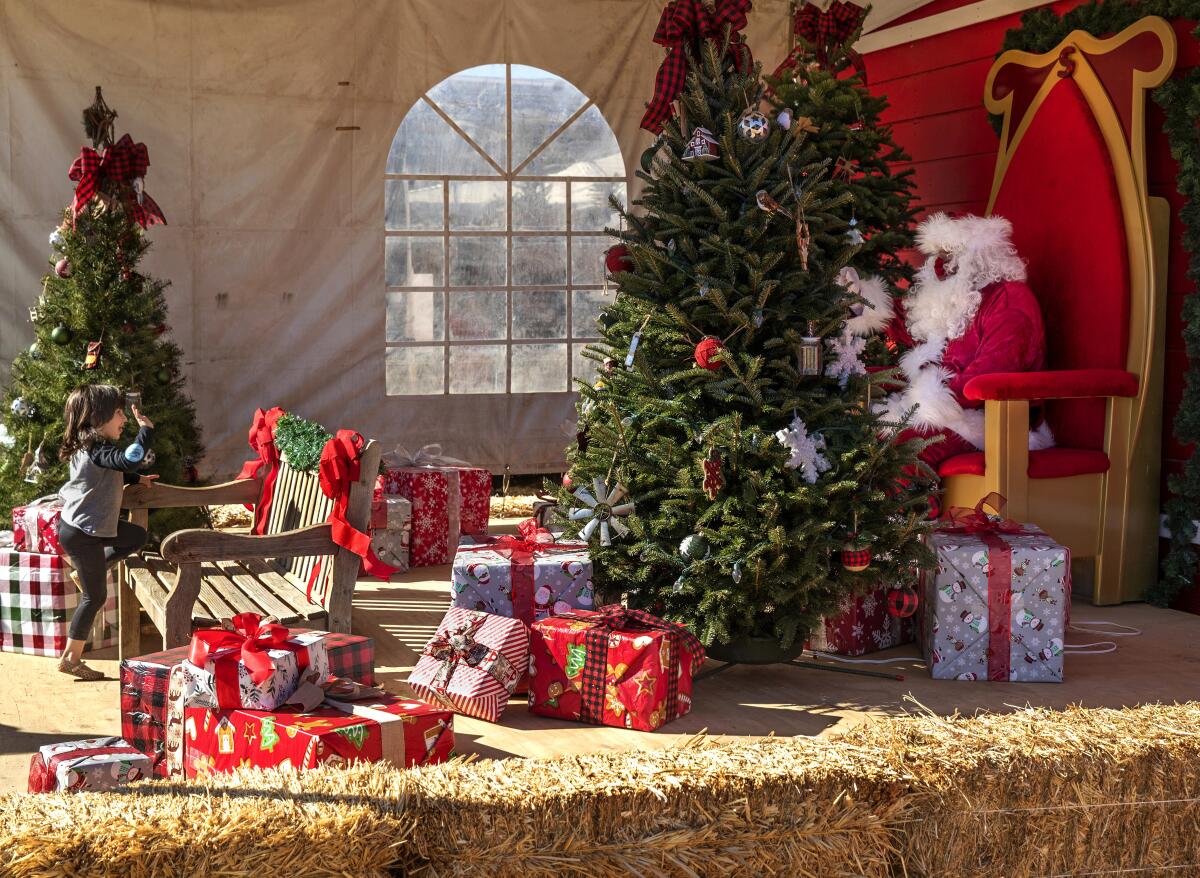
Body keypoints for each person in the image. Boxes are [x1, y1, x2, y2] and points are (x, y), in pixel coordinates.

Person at [876, 212, 1052, 472]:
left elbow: (995, 370)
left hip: (990, 421)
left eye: (949, 256)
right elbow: (906, 323)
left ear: (976, 258)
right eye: (937, 256)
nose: (939, 266)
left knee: (900, 449)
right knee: (867, 436)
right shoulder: (954, 301)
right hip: (942, 409)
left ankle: (906, 515)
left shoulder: (1008, 300)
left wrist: (931, 398)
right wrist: (864, 301)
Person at [55, 385, 157, 680]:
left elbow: (116, 469)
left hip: (94, 527)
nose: (124, 418)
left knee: (136, 537)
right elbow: (125, 459)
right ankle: (71, 658)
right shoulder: (95, 448)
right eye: (118, 412)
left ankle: (92, 567)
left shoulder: (90, 445)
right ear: (99, 417)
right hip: (82, 532)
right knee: (95, 596)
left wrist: (137, 477)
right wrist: (146, 431)